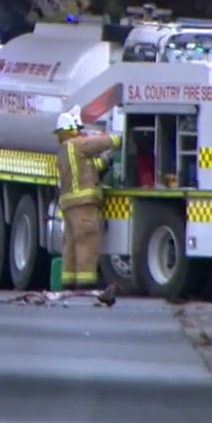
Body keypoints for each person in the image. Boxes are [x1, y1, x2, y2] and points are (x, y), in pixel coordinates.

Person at [54, 104, 121, 306]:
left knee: (71, 244)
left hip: (69, 204)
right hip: (84, 205)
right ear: (72, 129)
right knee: (86, 242)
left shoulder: (63, 151)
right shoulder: (78, 145)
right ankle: (85, 284)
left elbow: (88, 167)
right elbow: (101, 144)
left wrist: (104, 164)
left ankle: (68, 282)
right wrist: (118, 138)